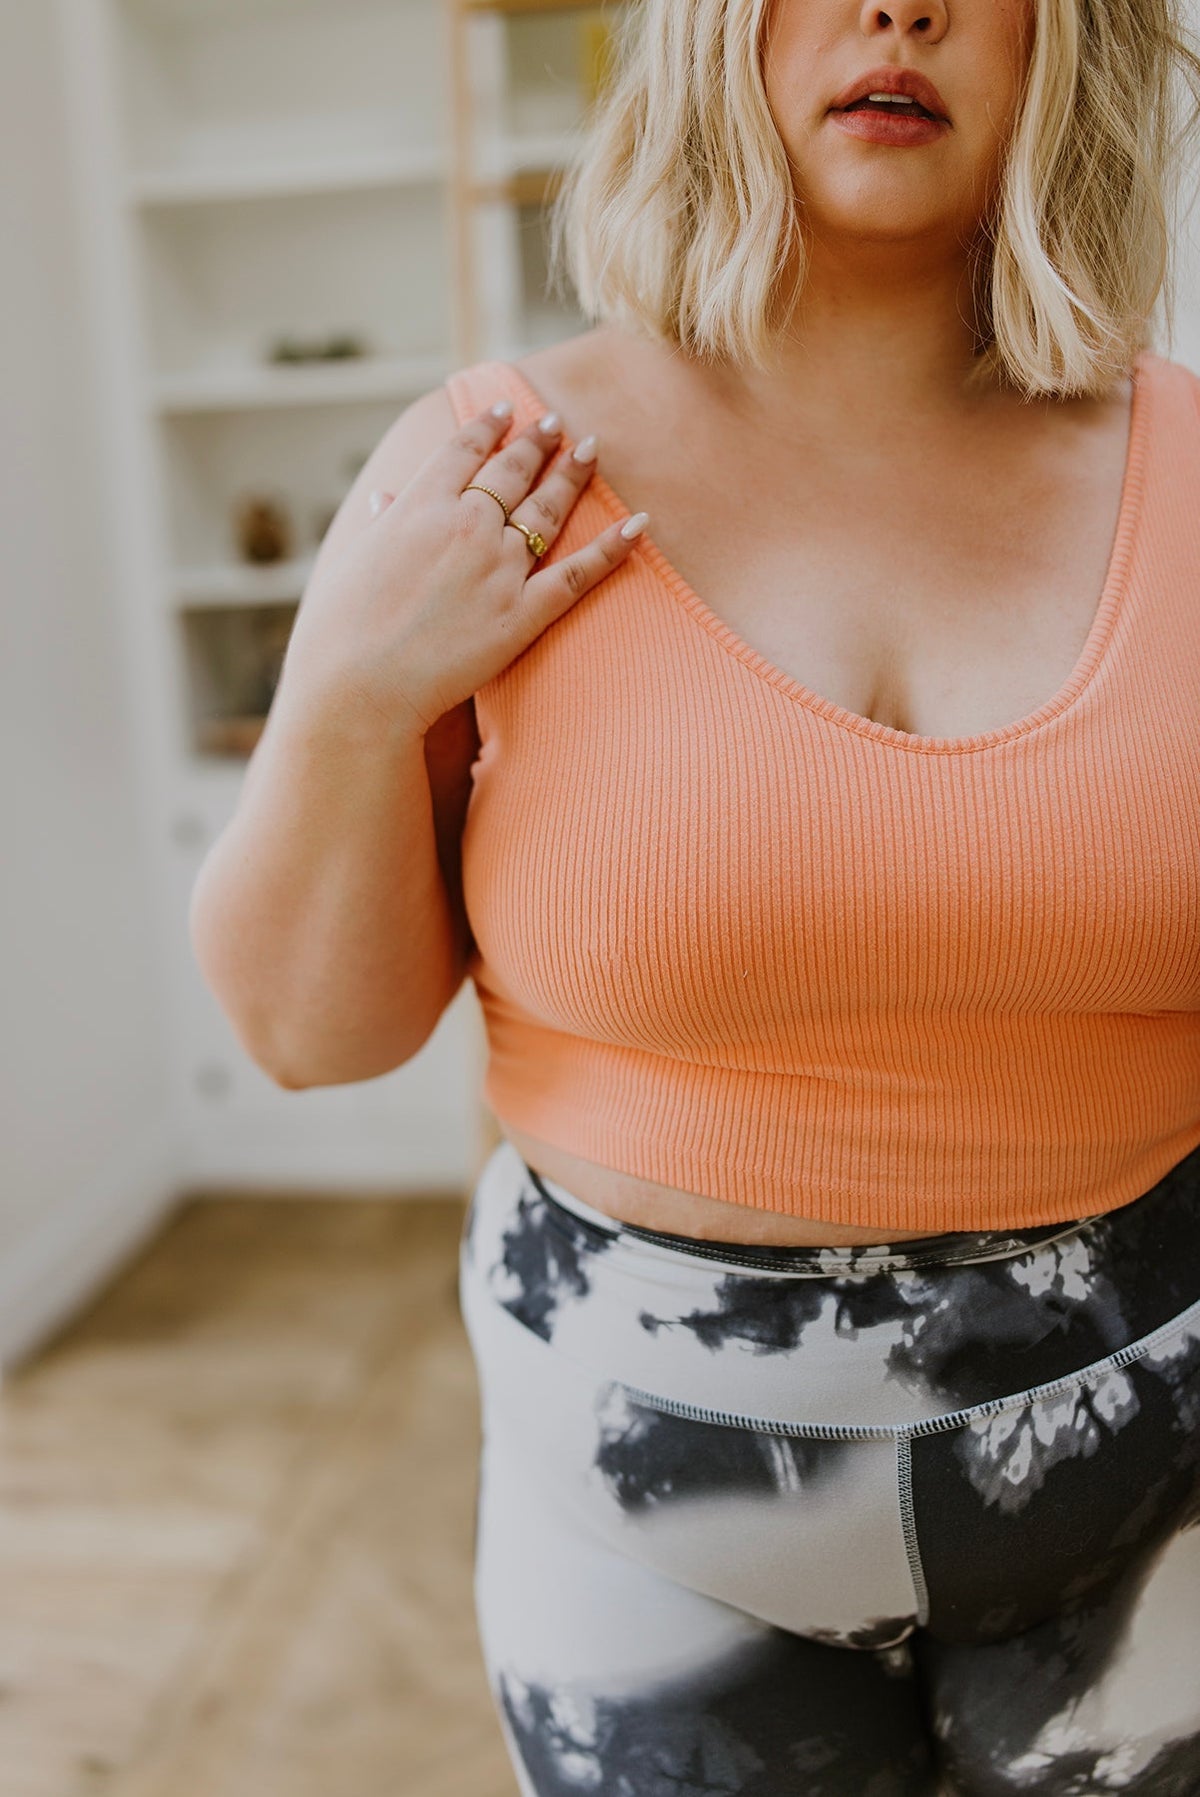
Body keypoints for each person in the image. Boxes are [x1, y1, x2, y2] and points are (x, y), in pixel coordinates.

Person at [190, 0, 1200, 1788]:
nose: (900, 11)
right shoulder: (495, 469)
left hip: (1160, 1482)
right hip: (651, 1530)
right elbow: (305, 1032)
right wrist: (349, 695)